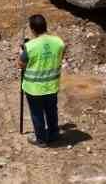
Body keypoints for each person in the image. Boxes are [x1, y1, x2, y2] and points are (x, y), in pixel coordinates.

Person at [19, 13, 65, 146]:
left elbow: (21, 64)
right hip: (52, 85)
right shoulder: (58, 42)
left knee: (37, 113)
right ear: (46, 26)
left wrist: (21, 51)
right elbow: (60, 55)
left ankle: (41, 139)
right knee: (51, 110)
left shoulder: (30, 46)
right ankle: (54, 133)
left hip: (34, 89)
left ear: (33, 29)